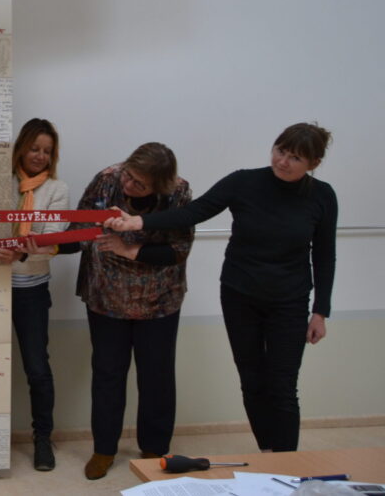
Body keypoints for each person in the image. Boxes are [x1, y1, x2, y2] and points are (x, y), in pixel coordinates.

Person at [106, 123, 337, 454]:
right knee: (252, 380)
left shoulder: (322, 196)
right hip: (239, 296)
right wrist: (138, 221)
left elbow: (325, 255)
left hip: (290, 301)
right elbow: (193, 212)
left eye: (295, 158)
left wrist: (320, 311)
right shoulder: (244, 182)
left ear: (313, 164)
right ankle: (268, 453)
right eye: (280, 150)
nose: (282, 161)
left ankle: (286, 463)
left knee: (283, 386)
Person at [65, 143, 194, 480]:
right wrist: (42, 248)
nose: (128, 185)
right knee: (107, 375)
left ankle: (154, 449)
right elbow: (78, 231)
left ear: (160, 186)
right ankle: (104, 450)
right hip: (106, 298)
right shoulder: (107, 179)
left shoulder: (179, 193)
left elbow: (179, 250)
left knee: (157, 377)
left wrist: (130, 249)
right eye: (129, 175)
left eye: (140, 183)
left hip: (160, 301)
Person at [0, 119, 69, 472]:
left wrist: (21, 253)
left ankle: (42, 440)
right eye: (34, 148)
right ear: (21, 147)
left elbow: (52, 240)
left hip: (31, 290)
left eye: (47, 151)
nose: (39, 156)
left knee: (37, 368)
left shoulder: (57, 189)